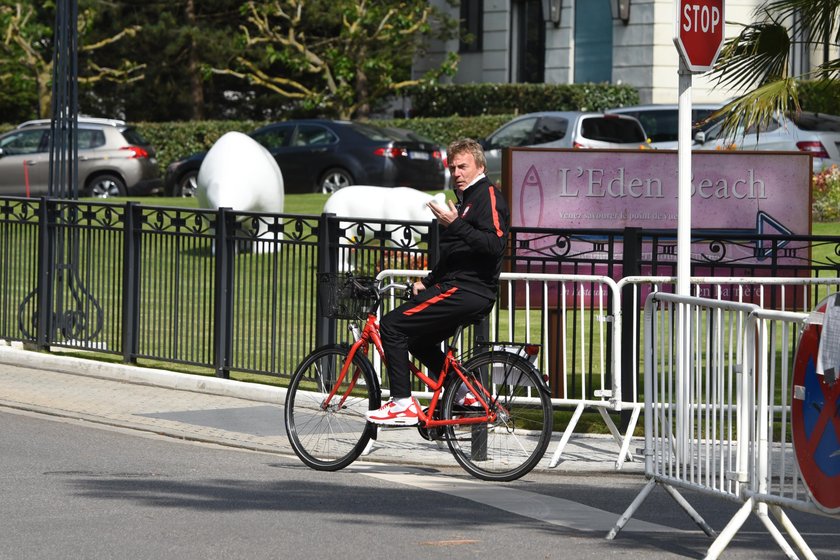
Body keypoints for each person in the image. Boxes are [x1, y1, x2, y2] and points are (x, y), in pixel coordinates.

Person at [365, 138, 510, 425]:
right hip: (458, 287)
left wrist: (454, 224)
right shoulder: (466, 200)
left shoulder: (487, 195)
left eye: (463, 167)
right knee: (418, 342)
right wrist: (427, 281)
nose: (456, 173)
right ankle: (463, 394)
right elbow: (457, 253)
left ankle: (402, 404)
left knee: (392, 326)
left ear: (480, 166)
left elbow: (495, 245)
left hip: (467, 290)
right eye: (453, 167)